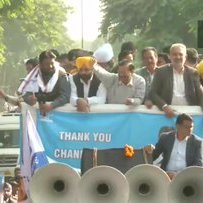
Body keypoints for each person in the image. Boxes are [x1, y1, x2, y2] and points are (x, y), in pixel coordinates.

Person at [149, 43, 203, 118]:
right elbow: (153, 93)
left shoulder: (193, 73)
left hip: (189, 115)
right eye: (174, 54)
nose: (177, 57)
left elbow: (200, 94)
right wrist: (164, 106)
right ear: (169, 56)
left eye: (180, 54)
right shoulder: (161, 72)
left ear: (185, 57)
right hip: (167, 114)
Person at [145, 113, 202, 179]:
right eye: (186, 127)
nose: (190, 130)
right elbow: (153, 156)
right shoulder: (165, 138)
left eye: (191, 127)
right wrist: (148, 151)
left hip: (186, 178)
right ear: (178, 126)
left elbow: (198, 164)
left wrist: (179, 175)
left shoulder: (197, 142)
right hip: (166, 176)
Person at [22, 50, 70, 115]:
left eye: (52, 63)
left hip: (58, 114)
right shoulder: (34, 76)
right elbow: (26, 94)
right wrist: (29, 99)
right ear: (40, 65)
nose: (50, 66)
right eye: (47, 64)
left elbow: (65, 96)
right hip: (38, 113)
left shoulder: (61, 75)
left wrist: (51, 105)